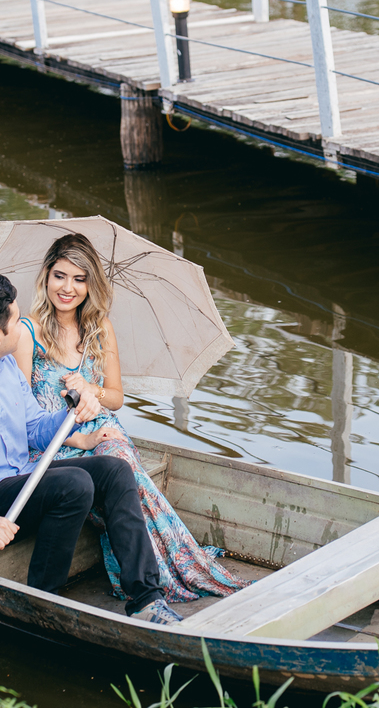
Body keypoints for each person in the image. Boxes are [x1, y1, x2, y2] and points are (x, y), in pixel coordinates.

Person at [0, 272, 183, 625]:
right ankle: (43, 604)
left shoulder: (3, 365)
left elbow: (33, 429)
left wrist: (73, 412)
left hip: (17, 478)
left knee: (113, 469)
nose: (23, 327)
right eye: (17, 320)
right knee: (73, 485)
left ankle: (145, 599)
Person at [14, 233, 250, 604]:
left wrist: (90, 388)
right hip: (54, 443)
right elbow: (19, 416)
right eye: (60, 276)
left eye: (79, 279)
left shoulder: (100, 328)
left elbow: (116, 397)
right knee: (119, 469)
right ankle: (172, 566)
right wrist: (76, 435)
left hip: (103, 429)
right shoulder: (27, 333)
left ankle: (165, 568)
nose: (68, 288)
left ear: (91, 284)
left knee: (120, 457)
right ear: (46, 276)